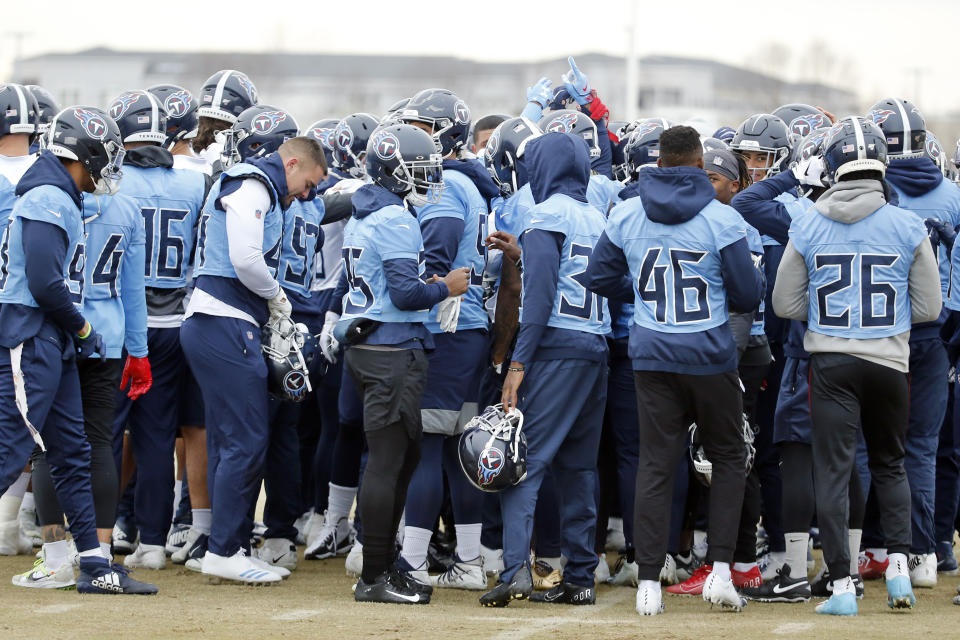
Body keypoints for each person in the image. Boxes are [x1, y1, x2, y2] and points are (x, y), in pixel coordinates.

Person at [585, 125, 764, 615]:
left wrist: (644, 293)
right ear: (700, 164)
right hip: (708, 353)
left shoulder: (626, 211)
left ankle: (647, 582)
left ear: (658, 164)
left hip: (651, 352)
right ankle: (722, 572)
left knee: (656, 462)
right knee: (729, 458)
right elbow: (748, 296)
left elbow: (599, 276)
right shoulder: (721, 219)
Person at [772, 116, 941, 615]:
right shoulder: (907, 224)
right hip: (890, 361)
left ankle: (843, 586)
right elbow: (930, 307)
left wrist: (831, 310)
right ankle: (898, 571)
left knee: (833, 470)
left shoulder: (808, 222)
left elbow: (785, 302)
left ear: (832, 165)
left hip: (831, 361)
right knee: (891, 465)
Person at [0, 105, 156, 594]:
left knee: (71, 452)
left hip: (53, 337)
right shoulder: (48, 195)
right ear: (83, 154)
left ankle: (93, 561)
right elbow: (47, 283)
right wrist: (86, 330)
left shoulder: (59, 193)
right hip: (32, 333)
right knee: (9, 448)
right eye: (104, 159)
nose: (108, 171)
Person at [330, 123, 469, 604]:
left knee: (402, 459)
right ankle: (374, 575)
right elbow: (407, 295)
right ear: (395, 172)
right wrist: (445, 288)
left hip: (373, 346)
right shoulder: (394, 218)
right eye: (419, 168)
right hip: (390, 351)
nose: (428, 176)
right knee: (389, 463)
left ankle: (386, 565)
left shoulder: (370, 211)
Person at [179, 135, 326, 584]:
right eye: (308, 182)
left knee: (231, 440)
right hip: (223, 319)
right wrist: (277, 296)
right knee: (245, 438)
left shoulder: (257, 185)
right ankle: (224, 549)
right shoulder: (253, 184)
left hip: (219, 320)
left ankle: (229, 545)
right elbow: (244, 259)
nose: (308, 193)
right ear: (294, 162)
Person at [479, 131, 610, 608]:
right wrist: (524, 255)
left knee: (522, 466)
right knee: (579, 469)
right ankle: (579, 577)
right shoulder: (598, 216)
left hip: (555, 347)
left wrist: (517, 363)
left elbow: (537, 301)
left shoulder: (544, 215)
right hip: (594, 347)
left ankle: (514, 570)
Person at [394, 88, 499, 590]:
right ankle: (470, 561)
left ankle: (412, 561)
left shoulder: (444, 186)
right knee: (463, 450)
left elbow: (436, 258)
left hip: (446, 326)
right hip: (470, 328)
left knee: (428, 449)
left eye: (422, 128)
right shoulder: (471, 183)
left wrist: (419, 285)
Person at [867, 98, 960, 587]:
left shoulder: (871, 191)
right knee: (921, 449)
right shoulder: (951, 196)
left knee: (869, 448)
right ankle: (925, 554)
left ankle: (872, 549)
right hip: (934, 331)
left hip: (877, 331)